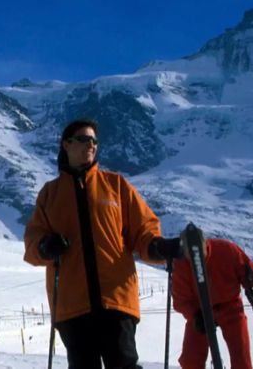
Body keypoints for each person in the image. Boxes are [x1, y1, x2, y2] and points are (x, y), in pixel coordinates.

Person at [23, 118, 184, 368]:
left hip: (116, 300)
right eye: (84, 139)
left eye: (95, 141)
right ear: (66, 144)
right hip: (71, 305)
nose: (92, 145)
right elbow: (32, 242)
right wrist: (45, 246)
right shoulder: (50, 194)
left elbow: (143, 231)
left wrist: (157, 247)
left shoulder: (116, 186)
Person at [172, 230, 253, 369]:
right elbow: (180, 300)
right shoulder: (181, 265)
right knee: (190, 361)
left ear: (206, 243)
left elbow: (249, 271)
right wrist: (194, 315)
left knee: (241, 359)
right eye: (190, 255)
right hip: (200, 311)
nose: (194, 259)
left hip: (231, 306)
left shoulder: (227, 250)